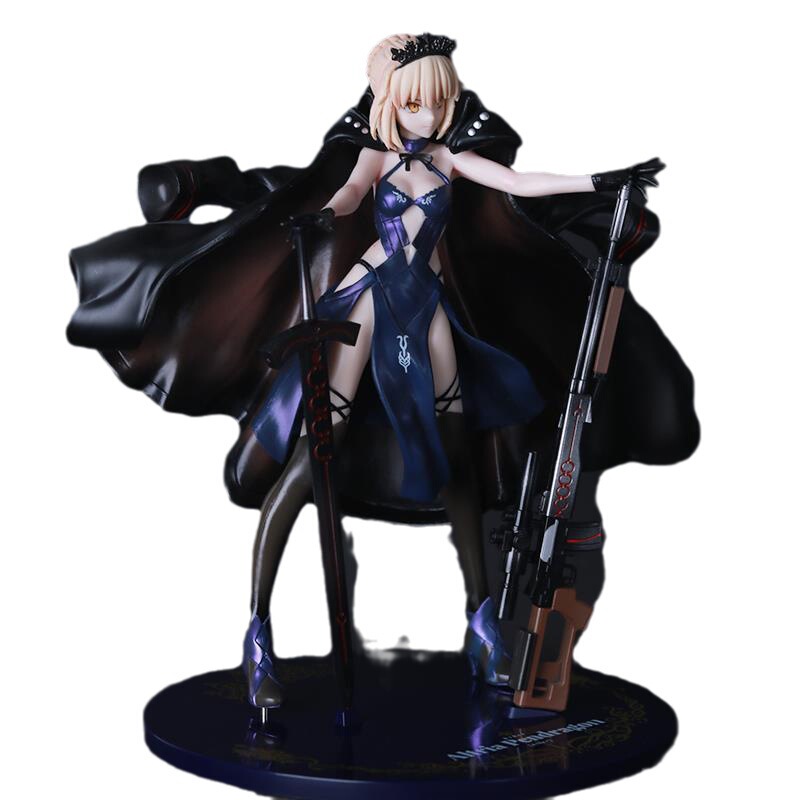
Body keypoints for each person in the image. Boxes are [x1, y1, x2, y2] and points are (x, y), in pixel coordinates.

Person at [67, 33, 699, 713]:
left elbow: (519, 183)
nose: (428, 116)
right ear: (391, 102)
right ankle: (258, 632)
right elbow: (348, 193)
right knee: (315, 454)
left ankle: (481, 619)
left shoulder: (450, 160)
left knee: (457, 452)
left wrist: (603, 181)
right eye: (415, 103)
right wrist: (322, 216)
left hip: (428, 306)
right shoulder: (375, 155)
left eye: (439, 103)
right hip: (371, 299)